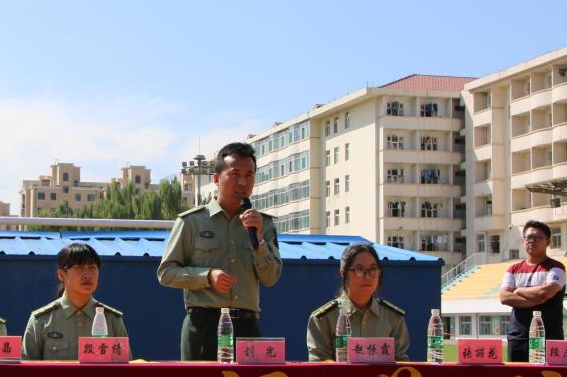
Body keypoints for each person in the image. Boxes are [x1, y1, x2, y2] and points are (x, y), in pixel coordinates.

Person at [157, 142, 282, 360]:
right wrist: (207, 276)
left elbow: (271, 278)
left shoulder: (264, 224)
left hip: (246, 327)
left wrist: (259, 240)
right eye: (235, 174)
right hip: (203, 327)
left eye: (249, 175)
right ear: (216, 178)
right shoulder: (191, 222)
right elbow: (166, 273)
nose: (242, 182)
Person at [23, 243, 127, 360]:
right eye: (79, 268)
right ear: (61, 275)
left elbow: (126, 368)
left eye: (92, 268)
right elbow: (27, 369)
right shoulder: (41, 321)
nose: (87, 275)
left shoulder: (112, 320)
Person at [307, 243, 409, 361]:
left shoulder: (393, 318)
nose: (367, 276)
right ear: (343, 274)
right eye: (359, 269)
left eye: (373, 269)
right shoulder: (323, 319)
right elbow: (319, 366)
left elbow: (401, 365)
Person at [498, 220, 566, 362]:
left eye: (538, 238)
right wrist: (537, 298)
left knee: (545, 376)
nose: (532, 241)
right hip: (518, 338)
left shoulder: (556, 268)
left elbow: (544, 293)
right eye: (529, 237)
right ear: (523, 241)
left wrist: (518, 290)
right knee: (517, 376)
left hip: (547, 337)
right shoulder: (513, 269)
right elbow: (504, 297)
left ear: (548, 242)